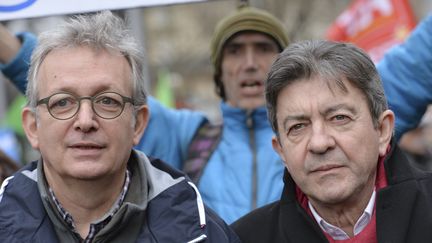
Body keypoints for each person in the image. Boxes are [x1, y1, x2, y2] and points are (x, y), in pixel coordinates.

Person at [0, 4, 289, 223]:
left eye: (263, 48)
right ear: (219, 69)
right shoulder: (192, 135)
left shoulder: (308, 138)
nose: (250, 63)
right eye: (236, 51)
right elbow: (79, 81)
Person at [231, 40, 432, 242]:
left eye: (339, 118)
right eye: (298, 127)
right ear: (281, 150)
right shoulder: (243, 238)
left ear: (382, 130)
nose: (319, 143)